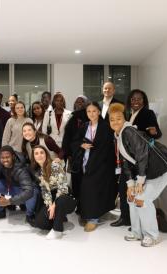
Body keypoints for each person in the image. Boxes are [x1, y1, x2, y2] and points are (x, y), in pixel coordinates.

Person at [108, 103, 167, 247]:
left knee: (143, 199)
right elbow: (126, 162)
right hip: (150, 169)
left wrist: (139, 182)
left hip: (164, 166)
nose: (115, 122)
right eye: (112, 119)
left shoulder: (128, 131)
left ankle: (152, 235)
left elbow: (142, 155)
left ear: (125, 119)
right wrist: (130, 184)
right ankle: (137, 232)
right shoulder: (118, 135)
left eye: (118, 118)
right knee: (132, 197)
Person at [71, 102, 116, 232]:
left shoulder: (106, 127)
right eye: (89, 111)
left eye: (94, 111)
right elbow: (74, 141)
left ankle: (92, 218)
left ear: (99, 112)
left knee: (92, 189)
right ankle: (90, 214)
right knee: (89, 190)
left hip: (102, 165)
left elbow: (107, 147)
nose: (91, 114)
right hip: (85, 164)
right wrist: (82, 145)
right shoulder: (85, 126)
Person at [31, 145, 77, 239]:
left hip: (65, 197)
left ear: (46, 154)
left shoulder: (54, 166)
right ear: (34, 157)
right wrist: (49, 205)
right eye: (36, 153)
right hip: (52, 197)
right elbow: (45, 191)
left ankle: (57, 230)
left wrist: (54, 205)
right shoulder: (38, 172)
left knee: (60, 201)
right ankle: (60, 217)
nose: (39, 155)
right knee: (40, 223)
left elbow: (63, 188)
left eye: (41, 152)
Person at [0, 145, 38, 223]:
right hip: (10, 185)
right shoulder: (0, 162)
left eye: (7, 157)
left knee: (33, 191)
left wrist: (10, 201)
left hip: (22, 190)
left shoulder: (20, 169)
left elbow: (29, 190)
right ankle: (0, 211)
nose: (5, 160)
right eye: (3, 158)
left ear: (13, 156)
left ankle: (29, 215)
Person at [61, 95, 90, 203]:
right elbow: (67, 137)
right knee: (75, 180)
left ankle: (84, 203)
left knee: (84, 181)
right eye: (77, 102)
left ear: (87, 104)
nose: (79, 103)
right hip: (74, 155)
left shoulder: (88, 117)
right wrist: (67, 154)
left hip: (85, 154)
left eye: (82, 101)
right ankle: (78, 202)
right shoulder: (73, 117)